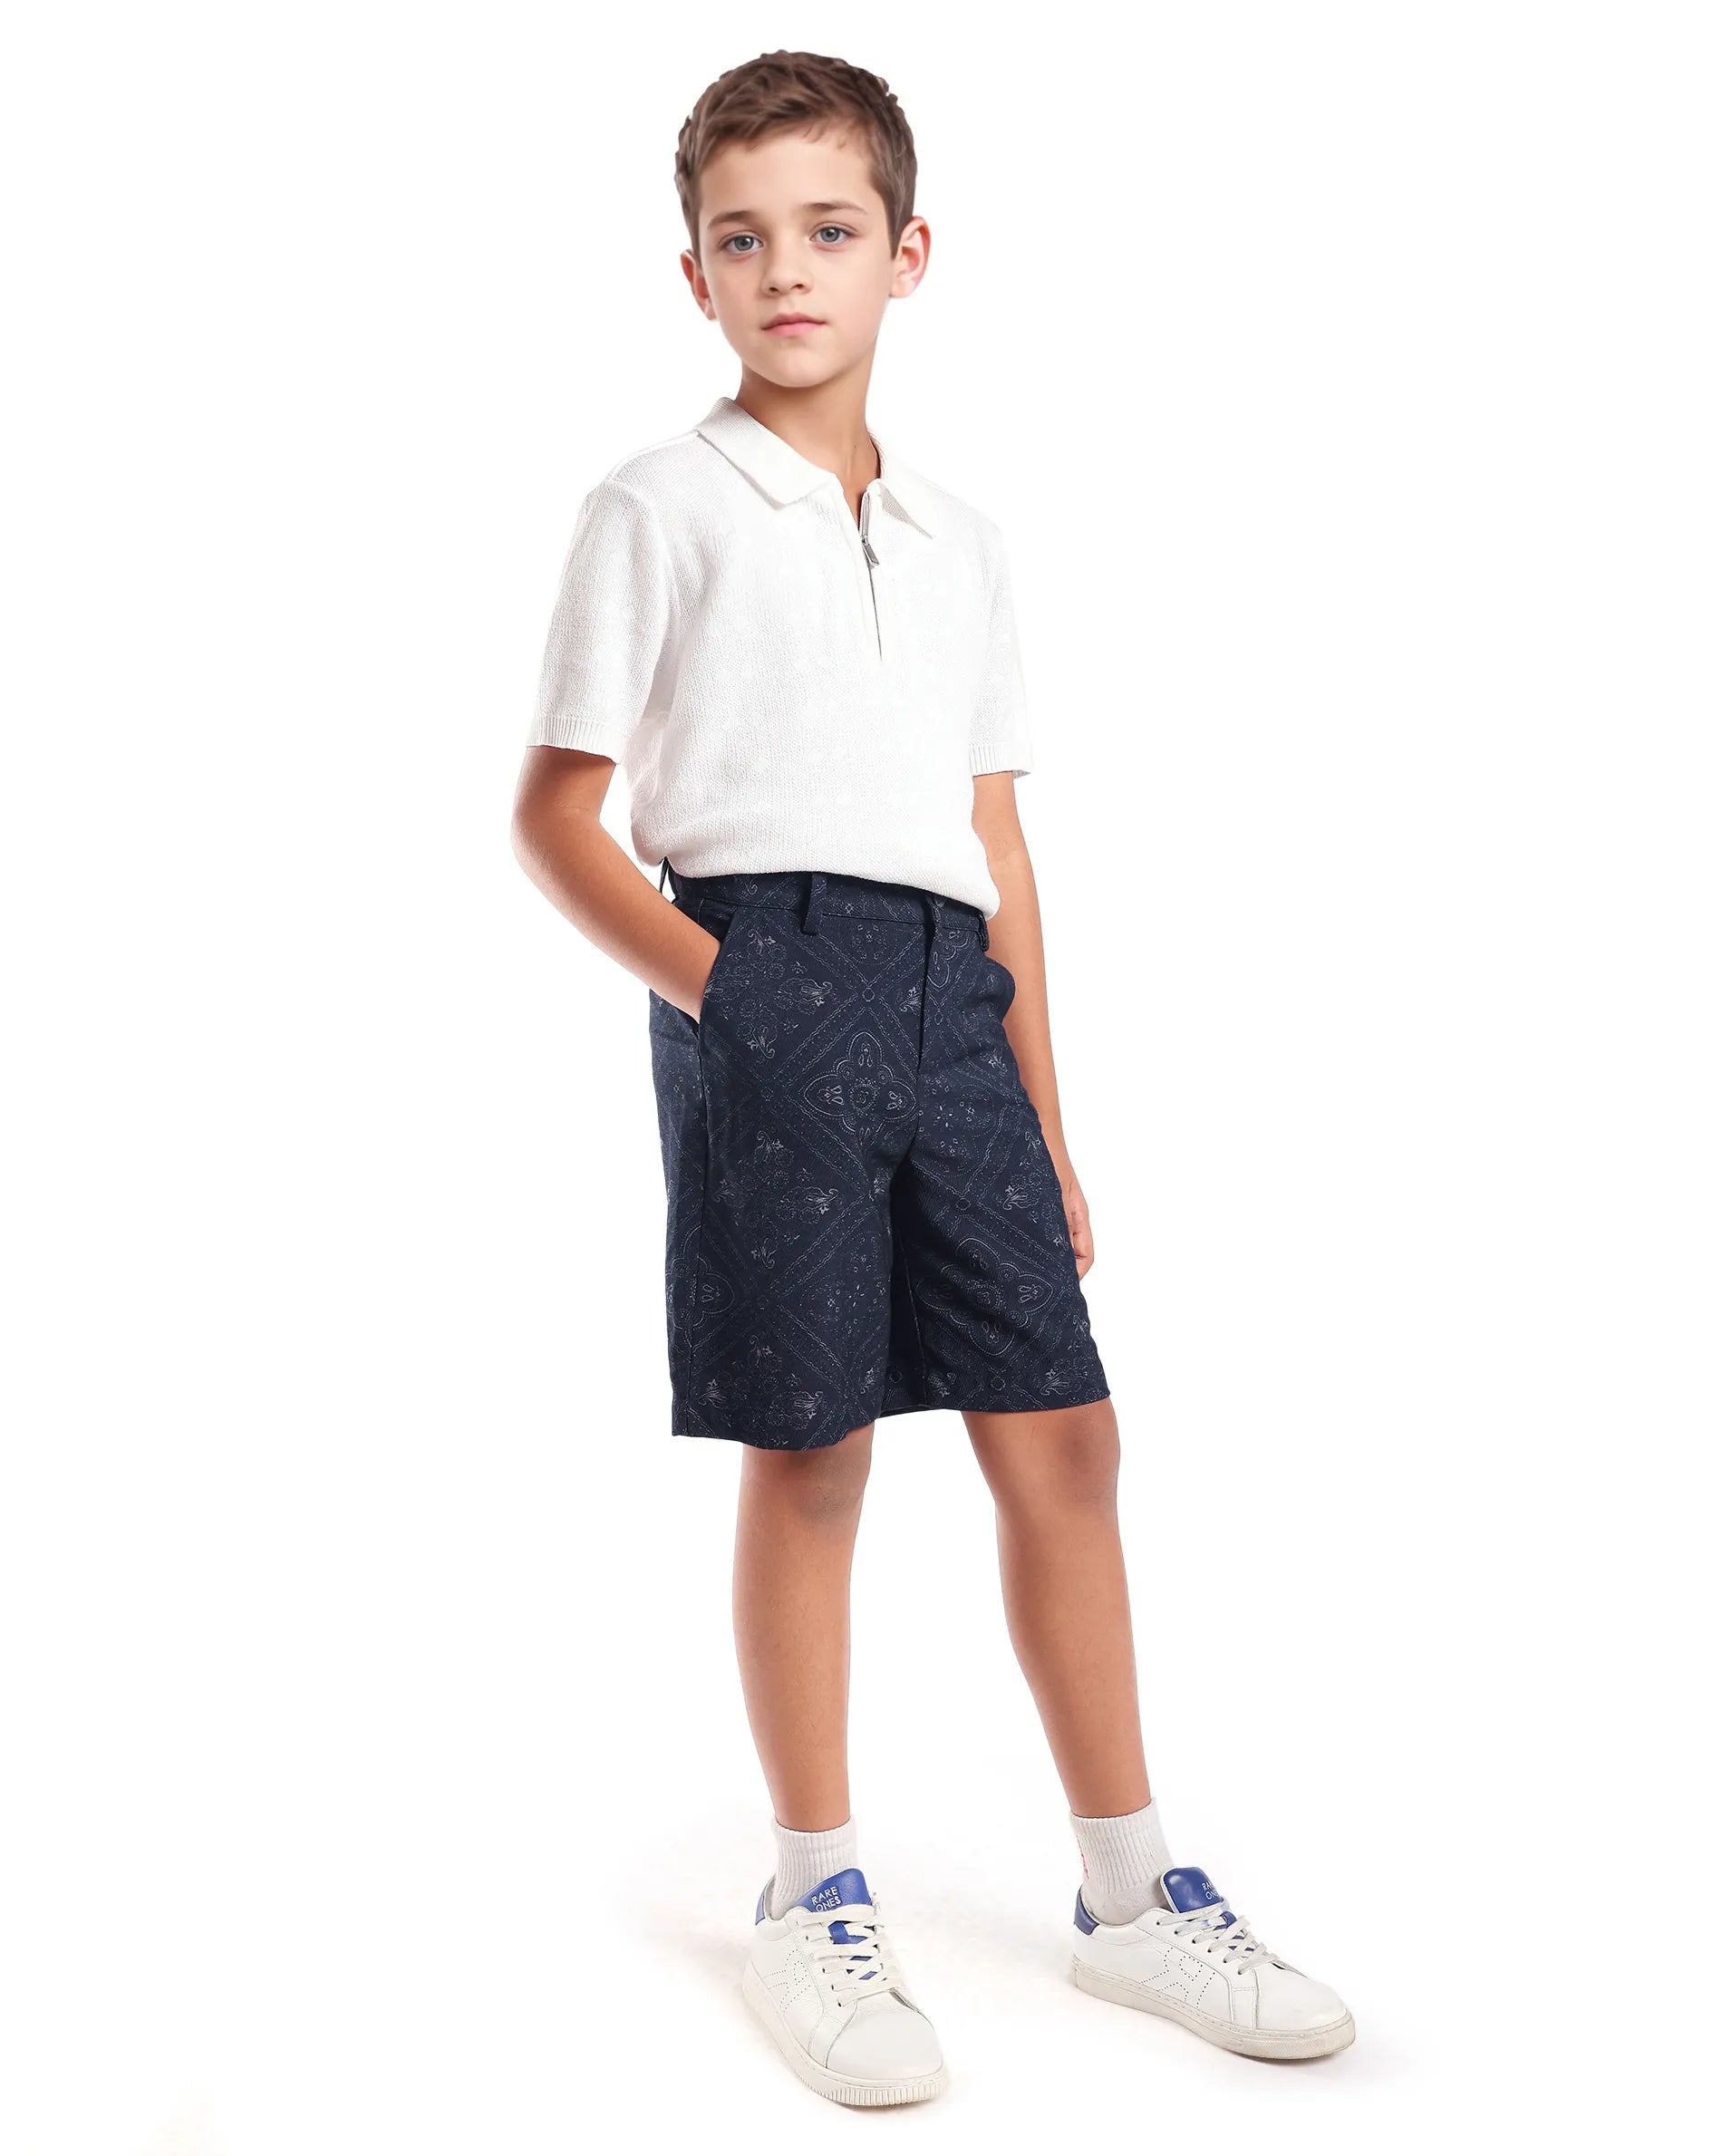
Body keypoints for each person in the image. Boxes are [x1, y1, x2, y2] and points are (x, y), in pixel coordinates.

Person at [510, 49, 1353, 2106]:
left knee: (1065, 1433)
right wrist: (734, 1001)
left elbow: (999, 844)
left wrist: (1049, 1116)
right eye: (741, 238)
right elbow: (553, 818)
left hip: (949, 1000)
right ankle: (814, 1897)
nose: (785, 269)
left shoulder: (963, 541)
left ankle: (1133, 1893)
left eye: (827, 229)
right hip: (761, 966)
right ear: (694, 275)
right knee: (812, 1449)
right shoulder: (655, 507)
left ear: (907, 253)